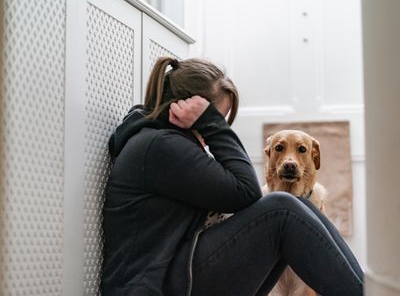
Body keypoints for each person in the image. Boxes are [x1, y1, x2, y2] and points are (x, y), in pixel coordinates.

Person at [100, 57, 364, 296]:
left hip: (175, 275)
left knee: (299, 204)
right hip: (157, 286)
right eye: (217, 116)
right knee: (281, 209)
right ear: (192, 109)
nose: (218, 126)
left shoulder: (163, 143)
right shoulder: (158, 146)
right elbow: (246, 191)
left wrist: (211, 123)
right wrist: (212, 124)